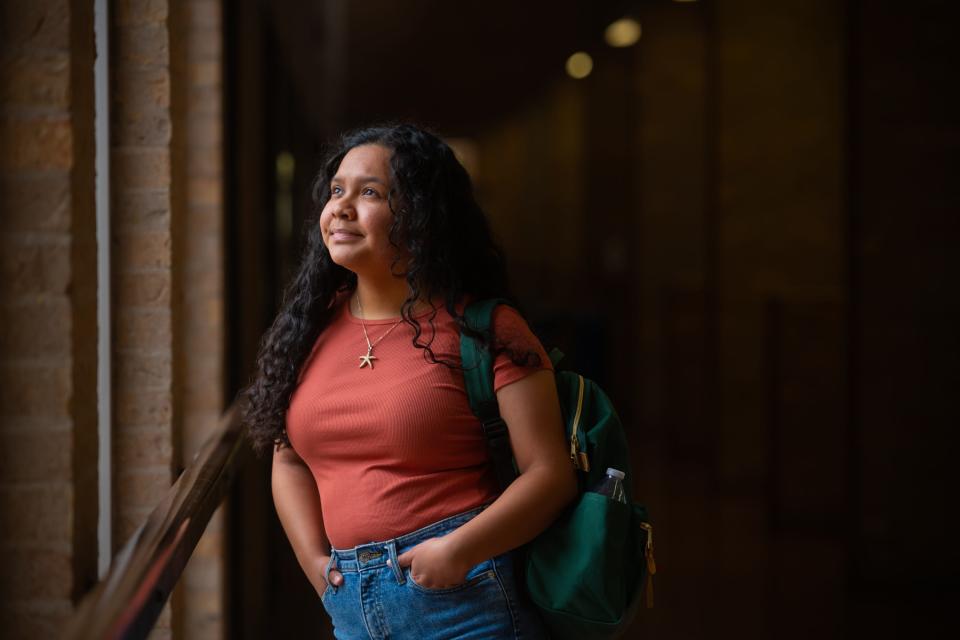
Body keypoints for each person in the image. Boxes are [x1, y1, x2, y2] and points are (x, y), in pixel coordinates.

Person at [242, 123, 577, 639]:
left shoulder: (487, 328)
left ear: (422, 215)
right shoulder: (308, 325)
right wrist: (315, 564)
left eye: (369, 192)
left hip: (464, 598)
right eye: (337, 191)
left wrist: (458, 550)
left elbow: (549, 474)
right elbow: (287, 457)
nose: (342, 208)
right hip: (351, 603)